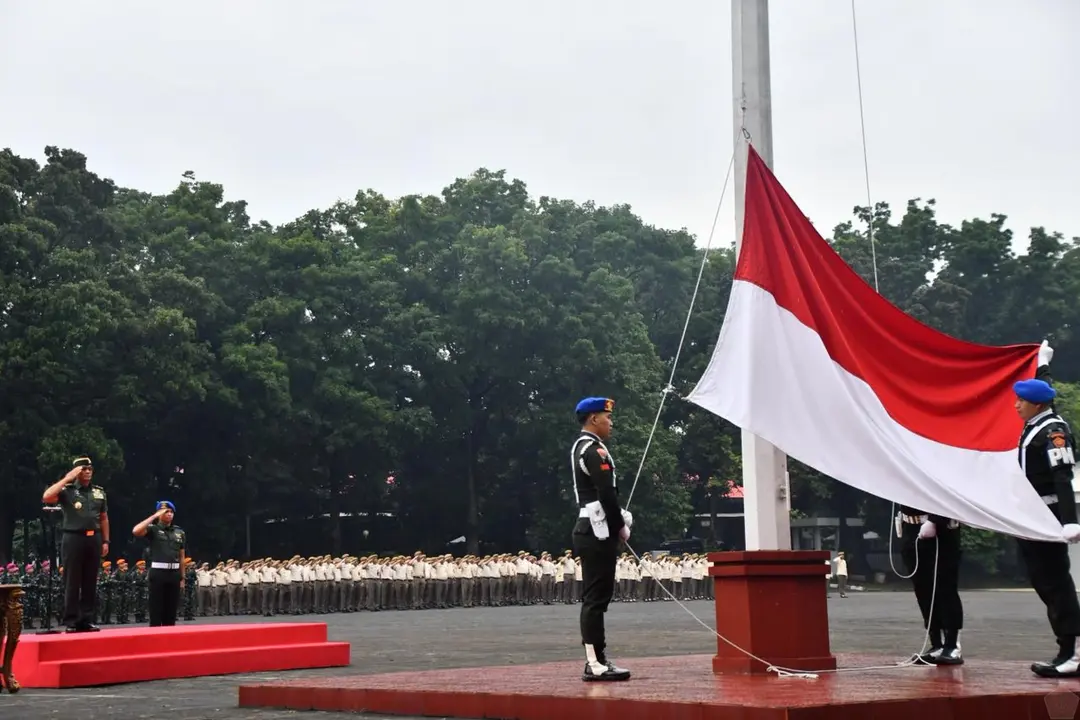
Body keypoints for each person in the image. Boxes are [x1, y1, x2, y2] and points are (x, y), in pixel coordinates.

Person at [1014, 340, 1080, 678]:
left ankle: (1074, 652)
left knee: (1056, 584)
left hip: (1049, 516)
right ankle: (1066, 647)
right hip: (1031, 517)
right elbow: (1045, 386)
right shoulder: (1039, 420)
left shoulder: (1054, 431)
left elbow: (1062, 477)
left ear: (1037, 405)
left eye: (1021, 401)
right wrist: (1042, 363)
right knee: (1044, 582)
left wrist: (1070, 521)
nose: (1016, 405)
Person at [571, 396, 631, 682]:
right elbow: (606, 493)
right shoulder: (594, 450)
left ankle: (597, 659)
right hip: (596, 529)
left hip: (593, 527)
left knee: (598, 597)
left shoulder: (583, 447)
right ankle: (595, 662)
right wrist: (620, 525)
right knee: (595, 599)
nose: (611, 422)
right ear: (593, 418)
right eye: (607, 417)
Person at [41, 456, 109, 633]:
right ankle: (71, 619)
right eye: (83, 469)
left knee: (90, 580)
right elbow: (47, 497)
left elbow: (103, 518)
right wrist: (67, 478)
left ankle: (86, 619)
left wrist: (105, 541)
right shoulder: (67, 490)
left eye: (90, 469)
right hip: (73, 537)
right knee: (72, 579)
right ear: (76, 472)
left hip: (94, 537)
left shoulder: (99, 492)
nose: (87, 472)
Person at [896, 504, 963, 665]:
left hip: (939, 530)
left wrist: (935, 520)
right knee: (923, 590)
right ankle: (936, 643)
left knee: (944, 587)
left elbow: (946, 493)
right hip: (910, 527)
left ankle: (952, 644)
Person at [132, 501, 187, 626]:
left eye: (171, 512)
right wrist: (153, 517)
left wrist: (182, 577)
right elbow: (136, 531)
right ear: (159, 513)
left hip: (174, 573)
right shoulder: (153, 529)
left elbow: (182, 556)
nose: (169, 514)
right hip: (158, 573)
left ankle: (169, 635)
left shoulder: (179, 532)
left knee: (171, 612)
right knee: (156, 609)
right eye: (166, 512)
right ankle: (155, 635)